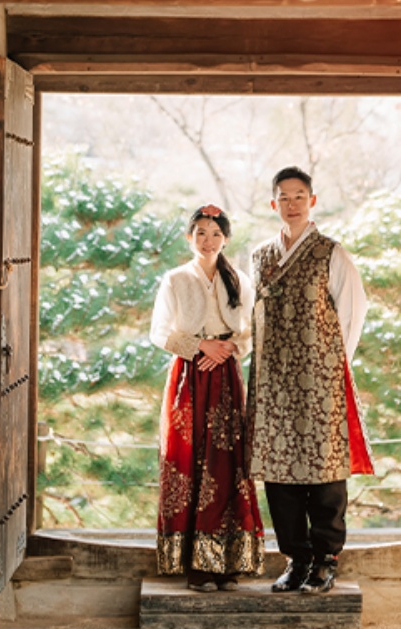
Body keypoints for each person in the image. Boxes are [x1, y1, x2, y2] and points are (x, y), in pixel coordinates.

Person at [247, 166, 373, 595]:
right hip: (273, 381)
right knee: (279, 473)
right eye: (284, 197)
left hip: (320, 379)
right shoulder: (261, 255)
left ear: (312, 200)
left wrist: (331, 365)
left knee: (323, 470)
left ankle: (324, 559)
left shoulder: (331, 254)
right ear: (274, 204)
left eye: (299, 196)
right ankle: (295, 559)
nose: (292, 204)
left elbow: (352, 314)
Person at [151, 204, 265, 592]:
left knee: (227, 463)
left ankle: (226, 562)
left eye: (215, 234)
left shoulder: (240, 281)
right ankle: (195, 567)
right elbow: (158, 332)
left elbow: (250, 331)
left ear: (226, 239)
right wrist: (200, 346)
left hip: (227, 378)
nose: (208, 240)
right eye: (200, 233)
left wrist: (227, 348)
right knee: (187, 458)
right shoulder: (175, 279)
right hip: (188, 377)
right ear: (189, 237)